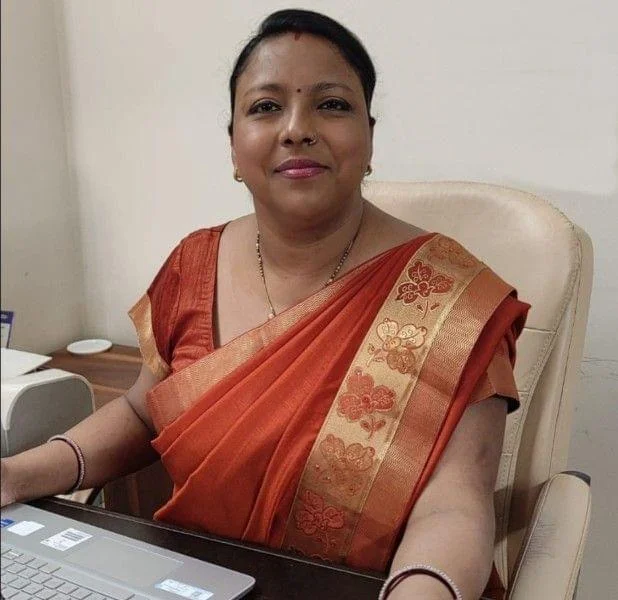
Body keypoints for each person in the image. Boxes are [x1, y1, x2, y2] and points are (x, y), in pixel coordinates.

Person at [1, 9, 529, 600]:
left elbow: (454, 506)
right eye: (266, 106)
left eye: (332, 104)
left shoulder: (451, 300)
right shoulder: (192, 265)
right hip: (194, 582)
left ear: (370, 137)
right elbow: (141, 415)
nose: (297, 128)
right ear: (233, 146)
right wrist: (16, 475)